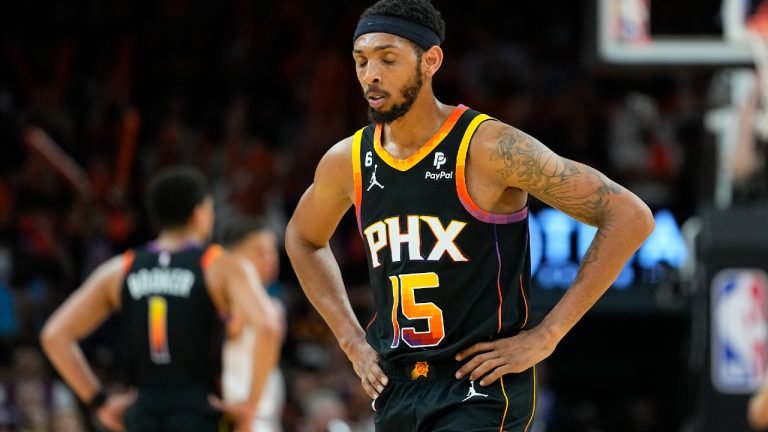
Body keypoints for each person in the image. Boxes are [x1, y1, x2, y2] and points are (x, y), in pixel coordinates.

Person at [284, 0, 655, 430]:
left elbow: (629, 215)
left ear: (431, 60)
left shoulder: (488, 147)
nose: (371, 75)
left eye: (388, 59)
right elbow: (303, 238)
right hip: (397, 386)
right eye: (361, 61)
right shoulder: (348, 160)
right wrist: (351, 341)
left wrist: (547, 335)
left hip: (480, 387)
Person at [40, 165, 281, 432]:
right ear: (199, 214)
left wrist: (100, 401)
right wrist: (250, 406)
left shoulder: (122, 268)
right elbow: (269, 325)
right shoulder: (218, 265)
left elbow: (54, 335)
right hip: (200, 413)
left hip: (143, 414)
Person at [218, 217, 287, 432]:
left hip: (265, 415)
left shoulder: (273, 305)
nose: (269, 258)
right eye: (259, 251)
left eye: (272, 251)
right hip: (236, 416)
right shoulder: (226, 302)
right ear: (233, 256)